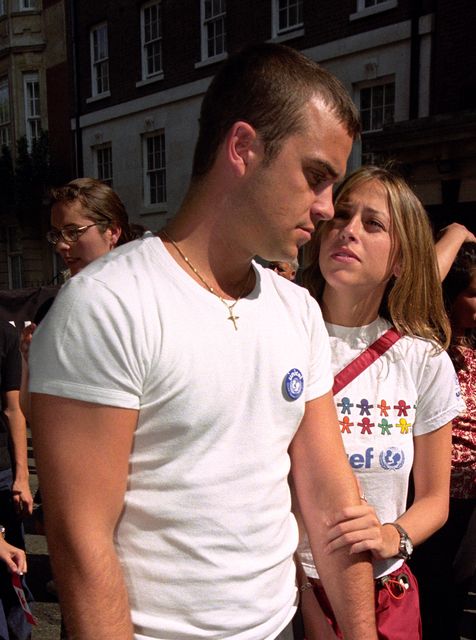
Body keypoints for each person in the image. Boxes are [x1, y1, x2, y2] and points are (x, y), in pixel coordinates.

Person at [29, 43, 378, 640]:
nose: (326, 209)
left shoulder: (296, 311)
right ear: (243, 148)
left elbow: (330, 501)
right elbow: (82, 546)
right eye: (316, 176)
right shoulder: (109, 304)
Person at [297, 165, 465, 639]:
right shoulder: (278, 334)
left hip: (378, 593)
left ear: (400, 260)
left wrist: (394, 536)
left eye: (372, 224)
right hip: (283, 592)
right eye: (341, 216)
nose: (347, 230)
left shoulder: (423, 359)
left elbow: (435, 499)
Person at [20, 177, 145, 420]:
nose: (62, 246)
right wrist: (29, 362)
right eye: (57, 235)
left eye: (73, 232)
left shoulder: (147, 300)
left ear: (113, 231)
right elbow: (32, 410)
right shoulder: (52, 311)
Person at [412, 238, 476, 640]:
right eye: (472, 292)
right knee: (430, 594)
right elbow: (422, 287)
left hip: (471, 503)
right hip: (433, 497)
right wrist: (456, 232)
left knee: (455, 595)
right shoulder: (427, 341)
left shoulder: (473, 343)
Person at [0, 320, 33, 640]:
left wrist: (22, 477)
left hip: (2, 474)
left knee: (13, 570)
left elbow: (14, 410)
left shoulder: (5, 333)